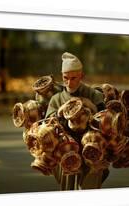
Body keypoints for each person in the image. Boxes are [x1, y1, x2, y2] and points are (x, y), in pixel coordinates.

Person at [45, 52, 108, 190]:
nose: (69, 82)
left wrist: (90, 105)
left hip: (91, 149)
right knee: (68, 189)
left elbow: (106, 119)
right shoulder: (56, 99)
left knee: (89, 188)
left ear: (81, 76)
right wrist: (60, 112)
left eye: (74, 78)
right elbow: (47, 126)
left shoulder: (93, 94)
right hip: (65, 150)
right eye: (65, 78)